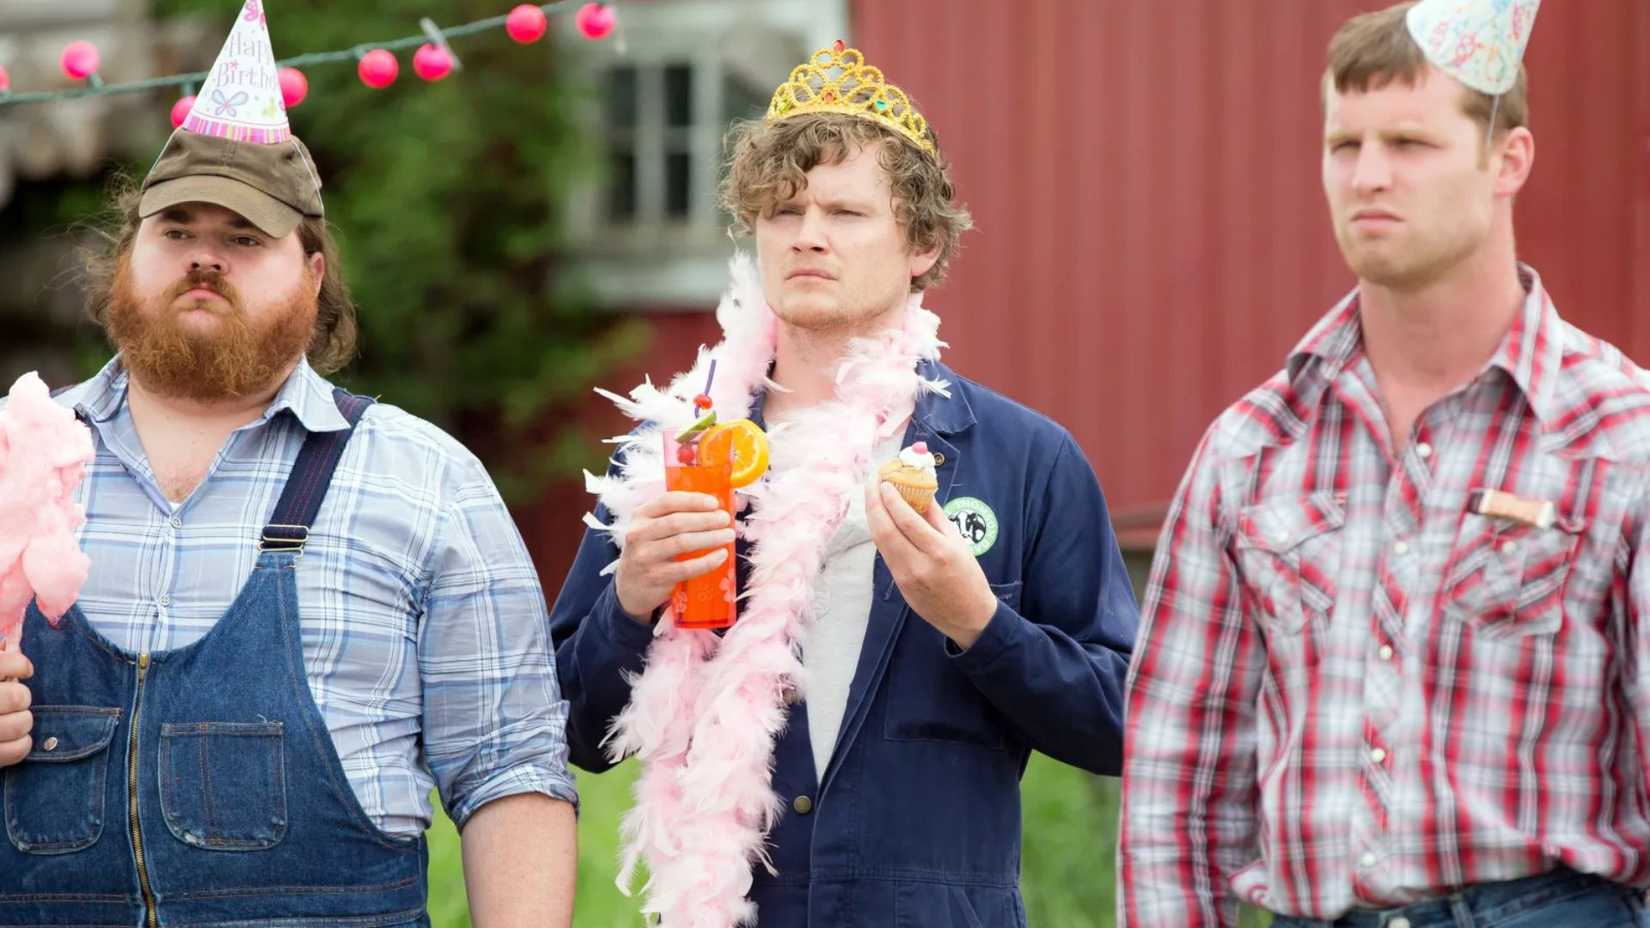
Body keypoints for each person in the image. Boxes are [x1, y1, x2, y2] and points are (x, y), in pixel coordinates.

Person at [0, 5, 576, 925]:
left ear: (312, 272)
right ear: (126, 255)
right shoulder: (11, 454)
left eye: (243, 238)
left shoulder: (426, 483)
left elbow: (510, 771)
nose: (204, 261)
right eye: (176, 231)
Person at [550, 41, 1136, 927]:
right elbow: (565, 733)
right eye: (783, 210)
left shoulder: (1020, 459)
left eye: (846, 212)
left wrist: (977, 624)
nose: (808, 234)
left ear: (923, 243)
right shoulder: (670, 449)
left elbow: (1125, 723)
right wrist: (628, 602)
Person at [1120, 2, 1650, 926]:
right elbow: (1176, 792)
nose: (1368, 176)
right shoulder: (1252, 451)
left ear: (1507, 159)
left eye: (1409, 142)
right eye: (1345, 144)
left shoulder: (1620, 438)